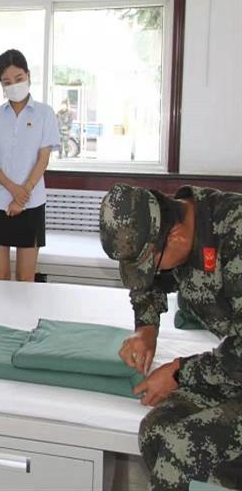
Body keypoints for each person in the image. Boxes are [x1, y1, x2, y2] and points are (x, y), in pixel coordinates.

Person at [99, 183, 242, 490]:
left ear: (175, 236)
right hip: (235, 372)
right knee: (156, 430)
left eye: (150, 265)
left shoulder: (235, 235)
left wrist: (179, 373)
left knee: (183, 447)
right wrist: (146, 330)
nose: (149, 273)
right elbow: (148, 283)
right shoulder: (171, 225)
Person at [0, 49, 60, 282]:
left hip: (31, 204)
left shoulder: (45, 113)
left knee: (25, 278)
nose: (13, 85)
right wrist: (14, 190)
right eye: (7, 82)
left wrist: (23, 195)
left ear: (29, 76)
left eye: (19, 78)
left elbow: (43, 159)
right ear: (1, 85)